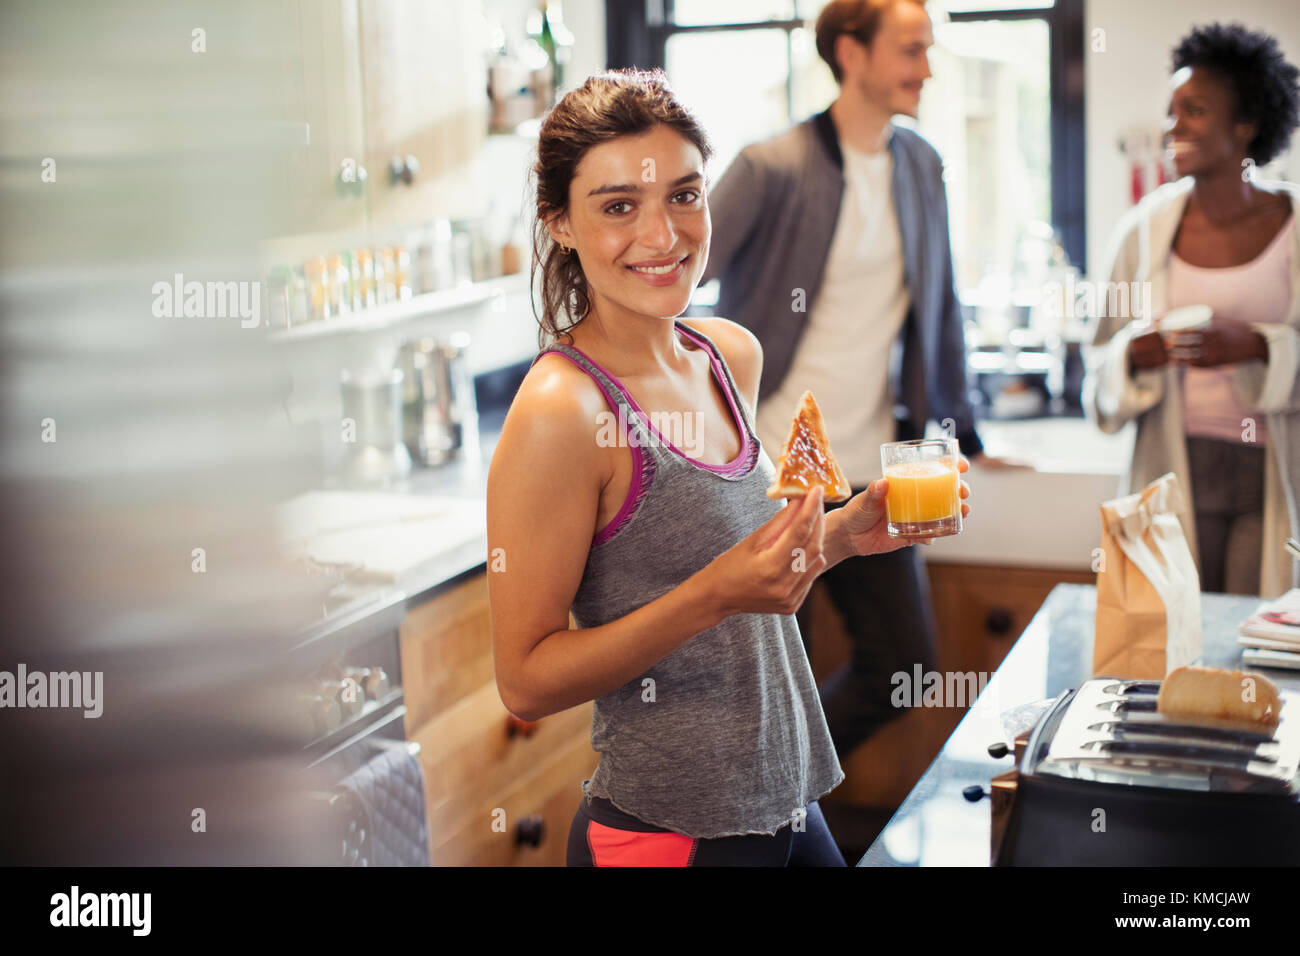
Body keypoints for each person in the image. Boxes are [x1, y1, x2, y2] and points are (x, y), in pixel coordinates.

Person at [486, 69, 971, 866]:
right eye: (618, 207)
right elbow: (527, 681)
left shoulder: (728, 355)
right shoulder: (561, 412)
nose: (664, 234)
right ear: (559, 223)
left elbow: (753, 576)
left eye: (684, 195)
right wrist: (709, 597)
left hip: (788, 798)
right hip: (670, 831)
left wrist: (847, 534)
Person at [701, 0, 997, 763]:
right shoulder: (771, 166)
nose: (926, 68)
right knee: (773, 683)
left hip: (874, 468)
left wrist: (961, 429)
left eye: (928, 49)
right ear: (851, 53)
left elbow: (942, 304)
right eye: (909, 49)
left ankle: (788, 776)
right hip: (772, 477)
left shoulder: (921, 163)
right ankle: (776, 811)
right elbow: (678, 281)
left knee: (907, 668)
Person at [1084, 23, 1300, 598]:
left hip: (1275, 471)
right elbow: (1096, 365)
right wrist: (1132, 354)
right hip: (1173, 471)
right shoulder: (1141, 232)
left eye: (1195, 110)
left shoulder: (1295, 226)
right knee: (1180, 638)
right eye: (1172, 109)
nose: (1172, 126)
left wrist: (1259, 345)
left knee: (1257, 644)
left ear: (1245, 126)